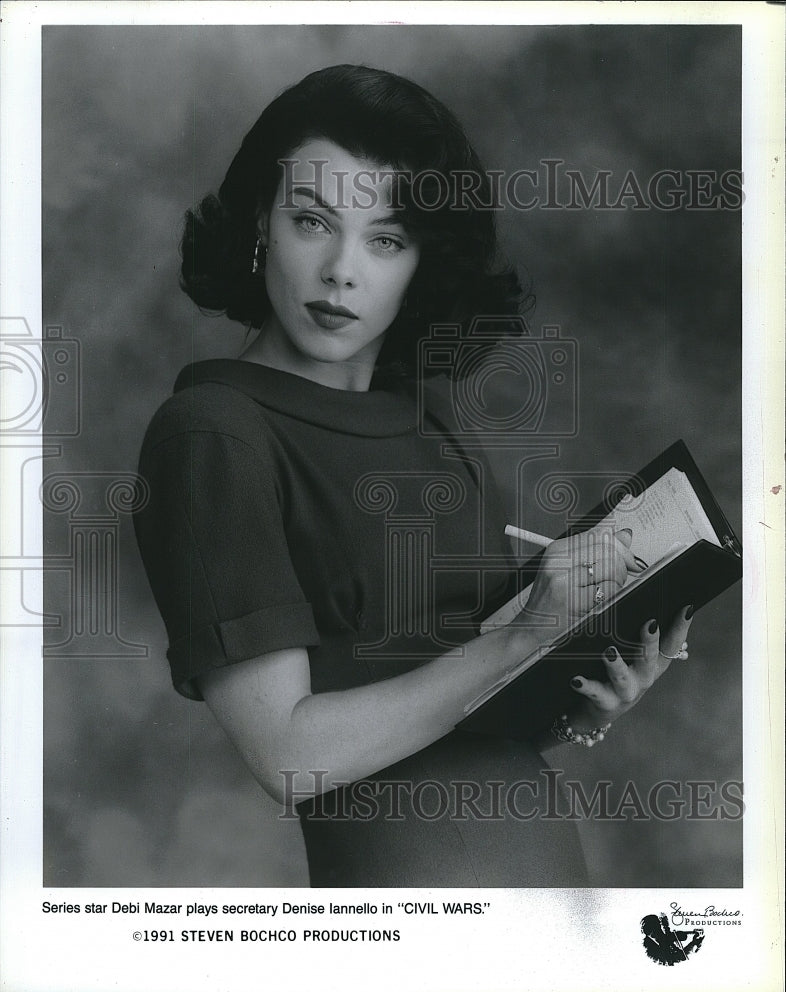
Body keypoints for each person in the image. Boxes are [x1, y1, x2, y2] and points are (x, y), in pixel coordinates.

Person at [133, 64, 693, 887]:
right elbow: (288, 756)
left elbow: (468, 708)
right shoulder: (212, 435)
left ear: (421, 262)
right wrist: (520, 638)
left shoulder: (432, 416)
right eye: (311, 222)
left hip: (552, 890)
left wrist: (580, 697)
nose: (341, 271)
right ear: (260, 221)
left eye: (385, 239)